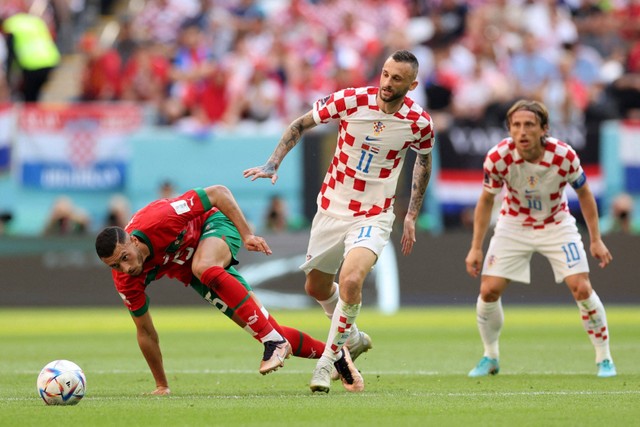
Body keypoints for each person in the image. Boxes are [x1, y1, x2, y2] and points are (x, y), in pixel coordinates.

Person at [244, 50, 435, 393]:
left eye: (397, 79)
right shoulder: (351, 99)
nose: (387, 83)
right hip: (333, 207)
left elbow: (423, 161)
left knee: (350, 281)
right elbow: (299, 124)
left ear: (412, 84)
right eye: (386, 74)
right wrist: (273, 163)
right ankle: (355, 338)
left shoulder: (419, 123)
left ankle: (326, 363)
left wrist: (411, 215)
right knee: (316, 288)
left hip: (375, 214)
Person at [95, 184, 360, 395]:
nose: (125, 268)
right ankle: (335, 353)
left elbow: (218, 193)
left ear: (131, 240)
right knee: (261, 322)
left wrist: (247, 235)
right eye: (115, 265)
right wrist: (162, 385)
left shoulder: (158, 220)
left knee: (205, 266)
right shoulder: (125, 281)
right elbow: (145, 332)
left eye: (125, 257)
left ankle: (274, 342)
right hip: (193, 271)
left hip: (215, 226)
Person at [464, 99, 616, 378]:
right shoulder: (498, 157)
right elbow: (486, 200)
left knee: (581, 287)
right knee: (488, 290)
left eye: (529, 125)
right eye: (516, 125)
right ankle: (491, 356)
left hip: (556, 223)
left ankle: (604, 358)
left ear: (544, 128)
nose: (522, 132)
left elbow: (584, 193)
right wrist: (476, 247)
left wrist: (596, 239)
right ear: (509, 129)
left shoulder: (563, 155)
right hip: (514, 224)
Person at [1, 12, 60, 102]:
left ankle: (32, 113)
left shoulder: (10, 26)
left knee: (30, 95)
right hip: (50, 60)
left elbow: (11, 54)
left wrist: (9, 76)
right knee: (35, 94)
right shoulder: (34, 21)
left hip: (32, 63)